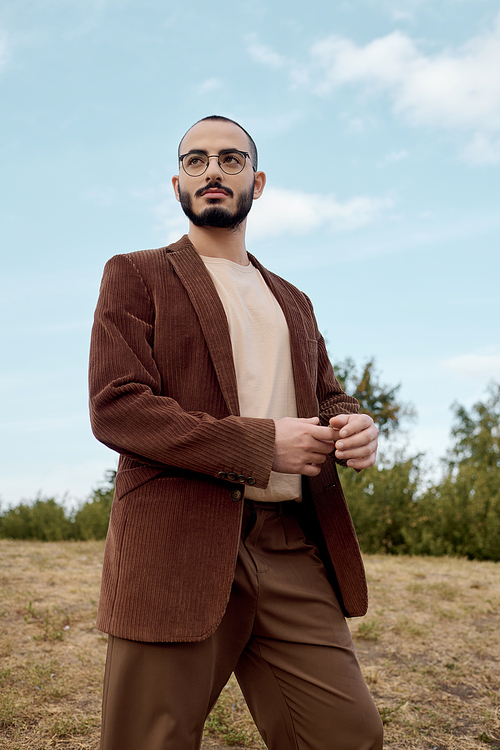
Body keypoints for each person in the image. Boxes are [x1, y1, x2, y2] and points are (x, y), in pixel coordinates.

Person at [89, 115, 383, 750]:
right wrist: (259, 444)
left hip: (290, 544)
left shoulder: (293, 300)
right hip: (174, 541)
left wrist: (355, 423)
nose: (213, 170)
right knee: (150, 739)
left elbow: (327, 395)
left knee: (348, 735)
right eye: (196, 161)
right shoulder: (135, 274)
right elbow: (118, 407)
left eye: (230, 158)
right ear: (177, 183)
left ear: (259, 179)